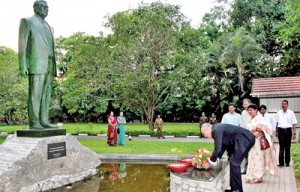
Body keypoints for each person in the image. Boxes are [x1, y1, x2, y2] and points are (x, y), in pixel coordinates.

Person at [18, 0, 57, 129]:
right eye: (44, 7)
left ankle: (44, 120)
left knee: (46, 94)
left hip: (49, 64)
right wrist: (23, 65)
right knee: (35, 94)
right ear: (36, 8)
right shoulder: (27, 22)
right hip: (36, 64)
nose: (47, 9)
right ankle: (34, 122)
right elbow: (22, 45)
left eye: (47, 7)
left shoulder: (50, 27)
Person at [201, 123, 255, 192]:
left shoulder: (216, 130)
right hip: (242, 139)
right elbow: (222, 146)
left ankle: (236, 190)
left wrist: (210, 161)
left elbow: (217, 148)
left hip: (245, 138)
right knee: (233, 162)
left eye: (204, 133)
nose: (205, 136)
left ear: (206, 129)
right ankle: (235, 188)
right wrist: (216, 158)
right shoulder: (217, 128)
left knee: (234, 163)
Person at [244, 104, 278, 184]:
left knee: (258, 159)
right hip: (251, 142)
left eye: (251, 110)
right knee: (251, 158)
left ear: (256, 110)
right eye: (248, 110)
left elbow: (261, 130)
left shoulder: (260, 119)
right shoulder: (249, 119)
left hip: (258, 142)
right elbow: (249, 129)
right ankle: (251, 176)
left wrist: (254, 131)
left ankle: (258, 177)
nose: (249, 112)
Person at [275, 100, 297, 167]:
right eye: (282, 104)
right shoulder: (278, 113)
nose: (283, 105)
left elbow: (294, 123)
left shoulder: (291, 113)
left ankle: (287, 163)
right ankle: (281, 163)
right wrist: (276, 132)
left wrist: (294, 133)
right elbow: (277, 123)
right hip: (281, 130)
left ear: (287, 105)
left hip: (288, 130)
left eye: (285, 104)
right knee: (281, 147)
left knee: (287, 147)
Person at [240, 99, 251, 174]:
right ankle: (246, 169)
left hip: (253, 134)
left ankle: (253, 170)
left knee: (253, 153)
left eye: (246, 104)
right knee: (246, 153)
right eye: (244, 104)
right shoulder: (243, 113)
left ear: (250, 103)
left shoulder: (253, 111)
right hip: (244, 134)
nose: (245, 105)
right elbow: (242, 123)